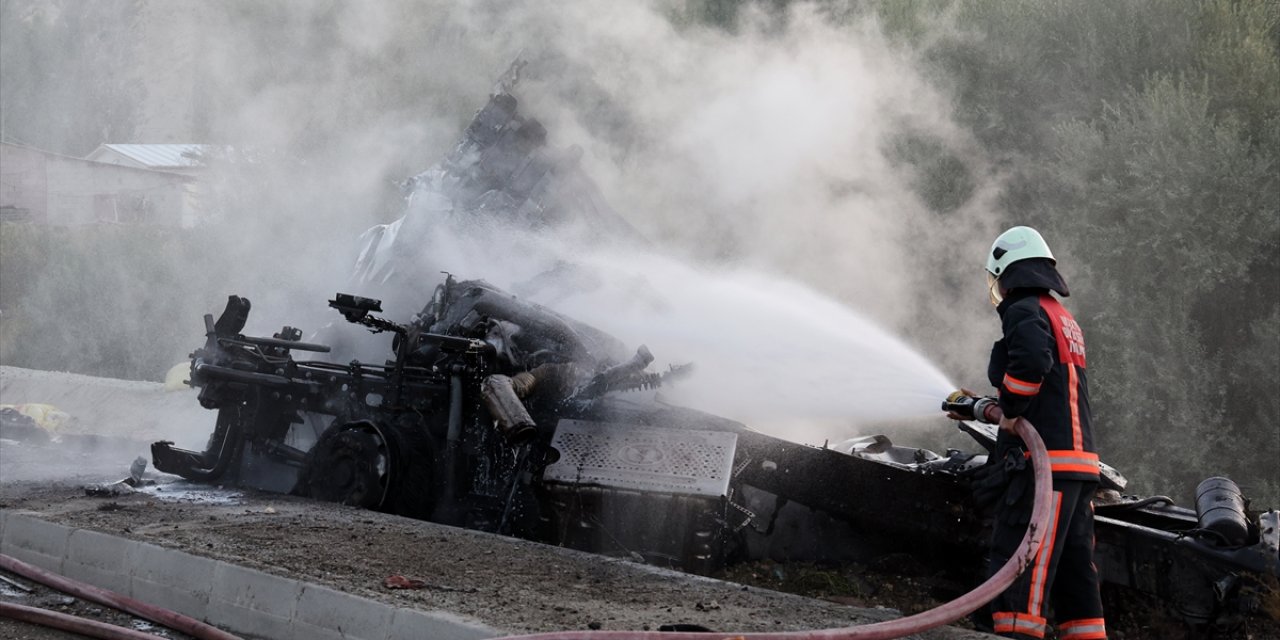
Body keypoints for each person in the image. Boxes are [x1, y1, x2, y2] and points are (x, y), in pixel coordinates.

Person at [956, 226, 1107, 640]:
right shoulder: (1061, 315)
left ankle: (1015, 635)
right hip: (1079, 465)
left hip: (1046, 467)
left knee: (1025, 560)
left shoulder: (1024, 309)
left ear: (1006, 272)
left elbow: (1031, 364)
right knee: (1076, 573)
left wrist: (1010, 409)